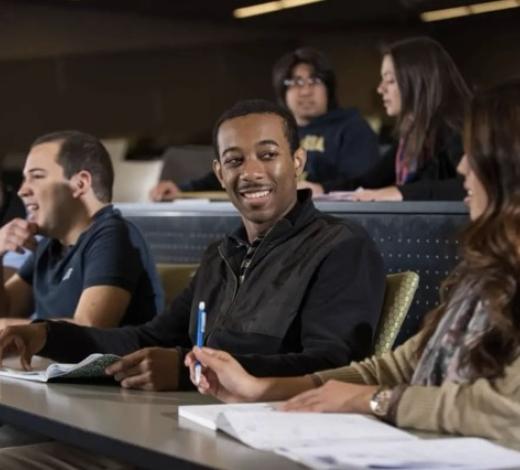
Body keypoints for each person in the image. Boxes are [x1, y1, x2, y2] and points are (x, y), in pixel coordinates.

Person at [186, 80, 520, 445]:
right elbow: (396, 367)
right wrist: (262, 389)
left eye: (475, 152)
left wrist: (372, 400)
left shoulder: (341, 244)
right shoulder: (483, 274)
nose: (460, 165)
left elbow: (506, 410)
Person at [0, 100, 385, 395]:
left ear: (297, 161)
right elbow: (148, 338)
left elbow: (333, 364)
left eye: (268, 155)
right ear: (220, 173)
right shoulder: (220, 255)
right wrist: (46, 334)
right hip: (189, 424)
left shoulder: (342, 246)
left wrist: (191, 372)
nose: (251, 172)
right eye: (235, 160)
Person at [149, 47, 380, 201]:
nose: (306, 90)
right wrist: (183, 190)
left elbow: (365, 183)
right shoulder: (272, 128)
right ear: (282, 90)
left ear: (328, 87)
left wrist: (323, 190)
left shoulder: (352, 128)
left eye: (314, 81)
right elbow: (237, 167)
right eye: (295, 82)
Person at [0, 131, 164, 328]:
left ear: (81, 183)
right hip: (47, 360)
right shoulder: (49, 245)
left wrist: (9, 328)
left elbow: (89, 329)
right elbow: (7, 310)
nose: (22, 190)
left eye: (36, 176)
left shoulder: (113, 235)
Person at [301, 37, 472, 201]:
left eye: (390, 80)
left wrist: (399, 192)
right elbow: (370, 181)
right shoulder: (411, 136)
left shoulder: (458, 127)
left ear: (418, 82)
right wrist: (322, 189)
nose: (380, 89)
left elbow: (470, 185)